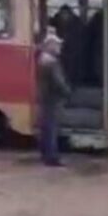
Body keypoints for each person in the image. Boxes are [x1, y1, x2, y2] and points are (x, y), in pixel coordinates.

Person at [34, 31, 72, 167]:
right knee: (51, 128)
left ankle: (45, 154)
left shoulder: (42, 59)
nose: (59, 47)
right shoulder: (51, 62)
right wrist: (67, 91)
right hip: (52, 98)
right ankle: (52, 157)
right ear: (50, 45)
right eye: (56, 44)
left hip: (45, 97)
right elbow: (58, 81)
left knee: (45, 127)